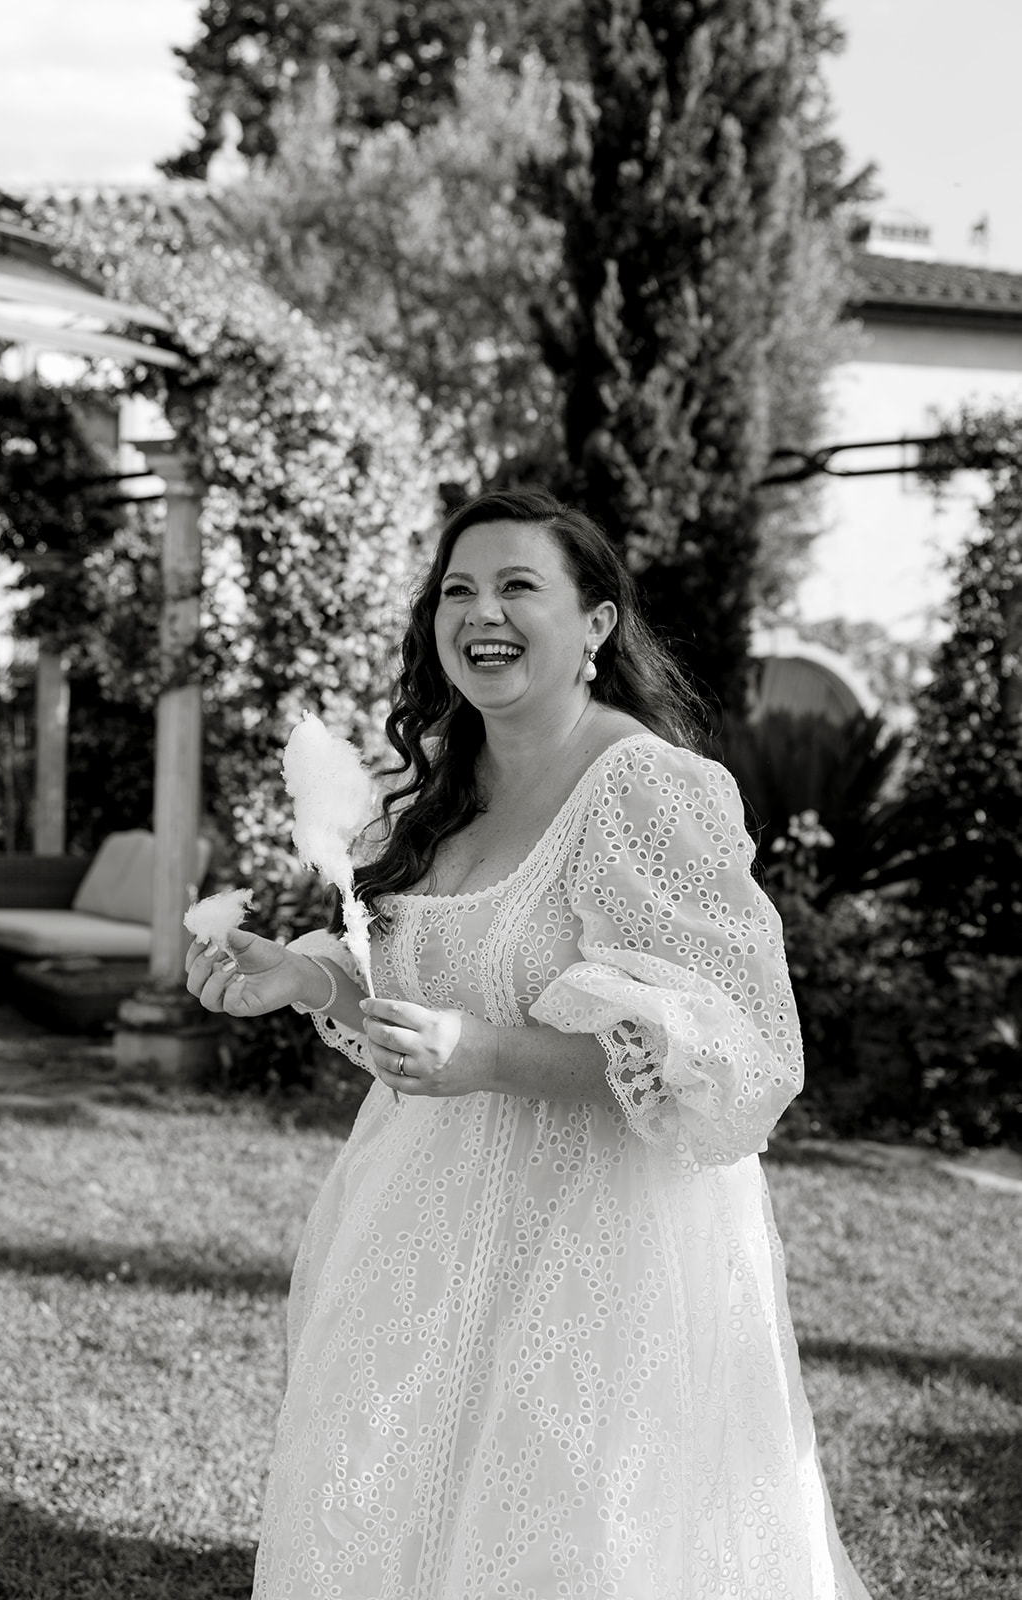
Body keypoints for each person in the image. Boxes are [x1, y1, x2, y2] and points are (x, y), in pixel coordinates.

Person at [187, 488, 872, 1600]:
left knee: (559, 1532)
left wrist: (490, 1057)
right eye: (457, 589)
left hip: (594, 1243)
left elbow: (729, 1052)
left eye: (517, 586)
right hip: (417, 1224)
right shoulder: (433, 786)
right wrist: (305, 976)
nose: (481, 612)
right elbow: (411, 994)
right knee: (386, 1511)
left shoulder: (646, 788)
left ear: (595, 623)